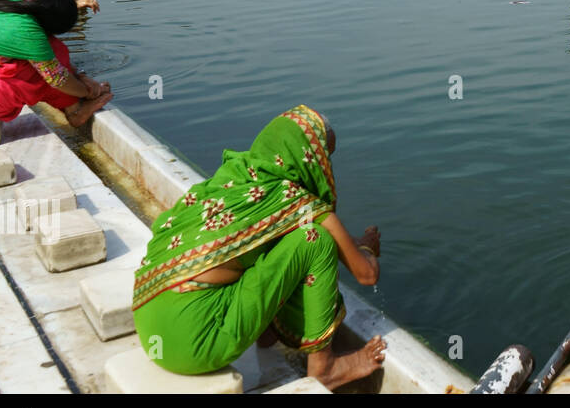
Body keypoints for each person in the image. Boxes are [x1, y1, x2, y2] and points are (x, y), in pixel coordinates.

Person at [132, 106, 387, 388]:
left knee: (271, 243)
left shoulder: (236, 178)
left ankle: (268, 332)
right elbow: (367, 275)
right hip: (197, 345)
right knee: (313, 239)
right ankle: (324, 368)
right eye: (325, 156)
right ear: (310, 157)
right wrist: (366, 250)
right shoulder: (294, 200)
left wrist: (351, 242)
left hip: (152, 329)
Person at [0, 0, 111, 127]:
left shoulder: (12, 4)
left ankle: (73, 104)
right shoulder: (29, 31)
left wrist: (81, 77)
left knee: (44, 61)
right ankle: (76, 112)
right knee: (49, 59)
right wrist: (89, 91)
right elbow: (58, 79)